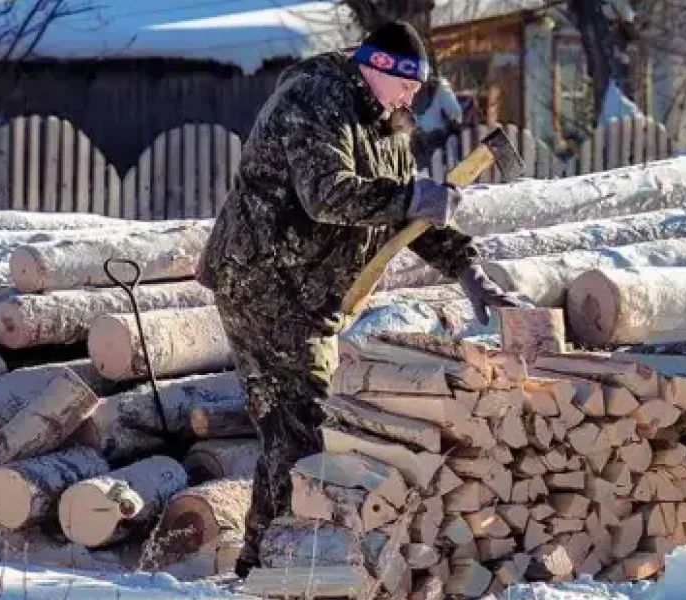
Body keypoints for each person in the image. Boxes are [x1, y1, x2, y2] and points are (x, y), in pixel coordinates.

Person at [195, 21, 522, 578]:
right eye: (406, 84)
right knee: (306, 422)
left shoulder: (388, 125)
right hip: (262, 280)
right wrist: (414, 195)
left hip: (314, 292)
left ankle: (264, 562)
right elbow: (326, 195)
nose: (412, 96)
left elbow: (409, 210)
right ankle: (277, 563)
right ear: (377, 68)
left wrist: (469, 269)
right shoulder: (314, 98)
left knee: (297, 424)